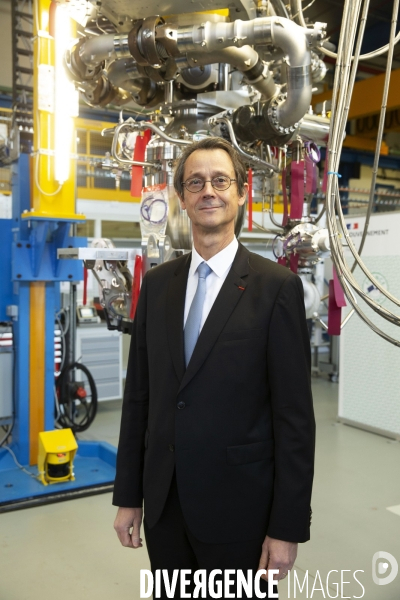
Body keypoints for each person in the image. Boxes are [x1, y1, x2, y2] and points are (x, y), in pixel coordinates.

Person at [113, 137, 315, 599]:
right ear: (182, 197)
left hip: (240, 514)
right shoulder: (159, 284)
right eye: (196, 182)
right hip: (165, 509)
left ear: (241, 192)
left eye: (221, 180)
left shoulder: (276, 288)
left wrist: (287, 528)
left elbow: (294, 421)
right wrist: (129, 498)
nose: (209, 191)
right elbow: (140, 397)